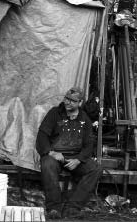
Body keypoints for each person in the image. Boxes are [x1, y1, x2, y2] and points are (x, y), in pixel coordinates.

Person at [35, 87, 102, 218]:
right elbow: (41, 137)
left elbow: (89, 144)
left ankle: (73, 207)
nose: (67, 102)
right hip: (56, 157)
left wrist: (79, 160)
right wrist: (51, 153)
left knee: (96, 169)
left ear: (80, 103)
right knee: (47, 164)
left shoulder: (85, 119)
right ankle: (54, 208)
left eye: (72, 100)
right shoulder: (54, 113)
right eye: (66, 98)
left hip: (75, 158)